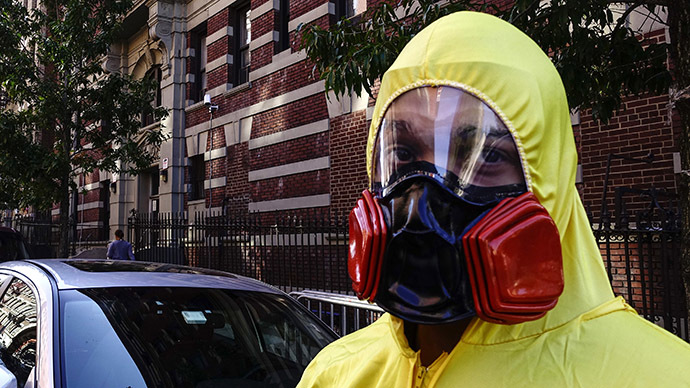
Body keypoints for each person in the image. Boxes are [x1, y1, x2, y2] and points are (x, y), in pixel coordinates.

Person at [297, 11, 690, 387]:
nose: (422, 201)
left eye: (486, 155)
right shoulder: (335, 374)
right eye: (402, 154)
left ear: (548, 178)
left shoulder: (663, 377)